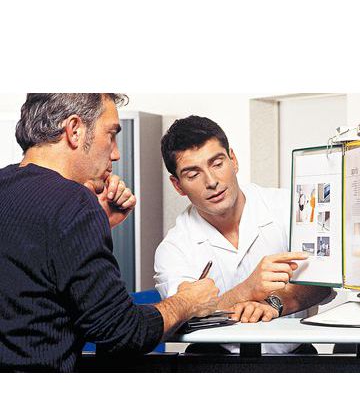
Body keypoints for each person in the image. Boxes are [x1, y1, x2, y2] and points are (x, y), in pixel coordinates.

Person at [0, 94, 218, 372]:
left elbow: (29, 279)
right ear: (75, 130)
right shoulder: (73, 202)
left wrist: (98, 223)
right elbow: (121, 332)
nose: (115, 153)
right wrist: (188, 302)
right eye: (111, 135)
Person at [154, 116, 333, 354]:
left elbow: (323, 282)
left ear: (233, 160)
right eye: (193, 174)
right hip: (216, 361)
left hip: (296, 357)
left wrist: (274, 303)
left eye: (217, 163)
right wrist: (246, 290)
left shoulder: (288, 207)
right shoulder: (174, 248)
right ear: (178, 185)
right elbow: (182, 317)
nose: (211, 181)